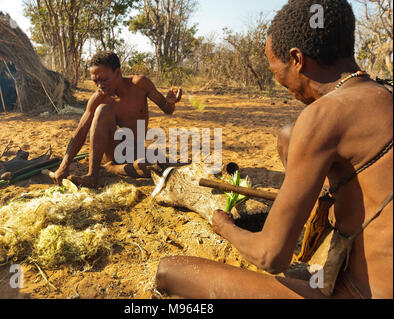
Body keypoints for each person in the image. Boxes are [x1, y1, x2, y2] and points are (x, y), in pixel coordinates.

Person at [155, 0, 393, 299]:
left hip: (359, 292)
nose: (278, 80)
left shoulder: (325, 115)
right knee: (288, 136)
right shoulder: (382, 94)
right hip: (355, 271)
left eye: (273, 67)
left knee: (170, 271)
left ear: (296, 59)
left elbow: (271, 257)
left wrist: (224, 226)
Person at [52, 52, 182, 188]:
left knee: (159, 164)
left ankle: (111, 168)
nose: (100, 85)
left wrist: (171, 102)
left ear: (117, 72)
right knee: (103, 110)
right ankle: (93, 175)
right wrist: (63, 166)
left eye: (104, 80)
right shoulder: (99, 98)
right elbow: (79, 133)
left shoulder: (139, 84)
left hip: (137, 150)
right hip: (115, 151)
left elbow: (167, 109)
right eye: (95, 81)